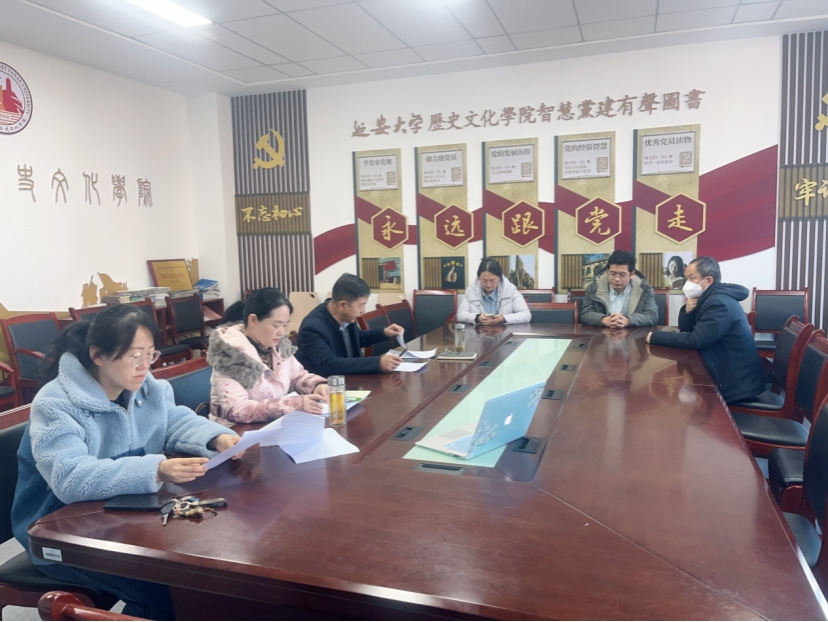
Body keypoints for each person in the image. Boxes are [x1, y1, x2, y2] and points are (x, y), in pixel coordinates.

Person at [11, 305, 241, 620]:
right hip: (59, 531)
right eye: (134, 355)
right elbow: (69, 477)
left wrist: (215, 437)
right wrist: (155, 469)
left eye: (150, 354)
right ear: (98, 355)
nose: (144, 365)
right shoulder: (56, 404)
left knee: (197, 572)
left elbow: (171, 420)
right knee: (159, 591)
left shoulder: (146, 386)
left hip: (121, 516)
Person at [647, 256, 765, 404]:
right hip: (724, 369)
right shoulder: (709, 297)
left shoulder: (718, 303)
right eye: (686, 278)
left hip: (734, 384)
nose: (687, 283)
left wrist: (654, 337)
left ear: (708, 280)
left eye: (692, 278)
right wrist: (688, 310)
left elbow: (696, 340)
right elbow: (687, 330)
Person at [207, 288, 329, 425]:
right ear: (253, 320)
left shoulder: (279, 347)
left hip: (275, 424)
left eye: (285, 325)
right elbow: (236, 410)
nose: (281, 332)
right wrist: (292, 404)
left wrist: (316, 385)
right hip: (237, 431)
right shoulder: (230, 354)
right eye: (276, 325)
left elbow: (297, 376)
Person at [295, 273, 405, 376]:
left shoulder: (346, 316)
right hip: (327, 386)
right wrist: (377, 363)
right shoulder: (312, 328)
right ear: (343, 305)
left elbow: (356, 338)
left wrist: (384, 332)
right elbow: (329, 365)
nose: (364, 310)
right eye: (361, 305)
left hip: (352, 379)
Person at [580, 250, 658, 328]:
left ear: (632, 274)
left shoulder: (644, 289)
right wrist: (603, 319)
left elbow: (652, 315)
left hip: (633, 333)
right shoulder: (594, 287)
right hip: (601, 333)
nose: (617, 279)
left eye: (622, 275)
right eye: (613, 274)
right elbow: (585, 314)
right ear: (607, 272)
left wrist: (628, 321)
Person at [455, 258, 531, 325]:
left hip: (504, 333)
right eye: (484, 280)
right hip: (478, 333)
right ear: (479, 278)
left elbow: (526, 315)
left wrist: (503, 318)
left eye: (492, 280)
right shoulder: (471, 290)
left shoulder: (510, 289)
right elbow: (460, 315)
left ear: (499, 278)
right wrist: (477, 318)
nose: (488, 284)